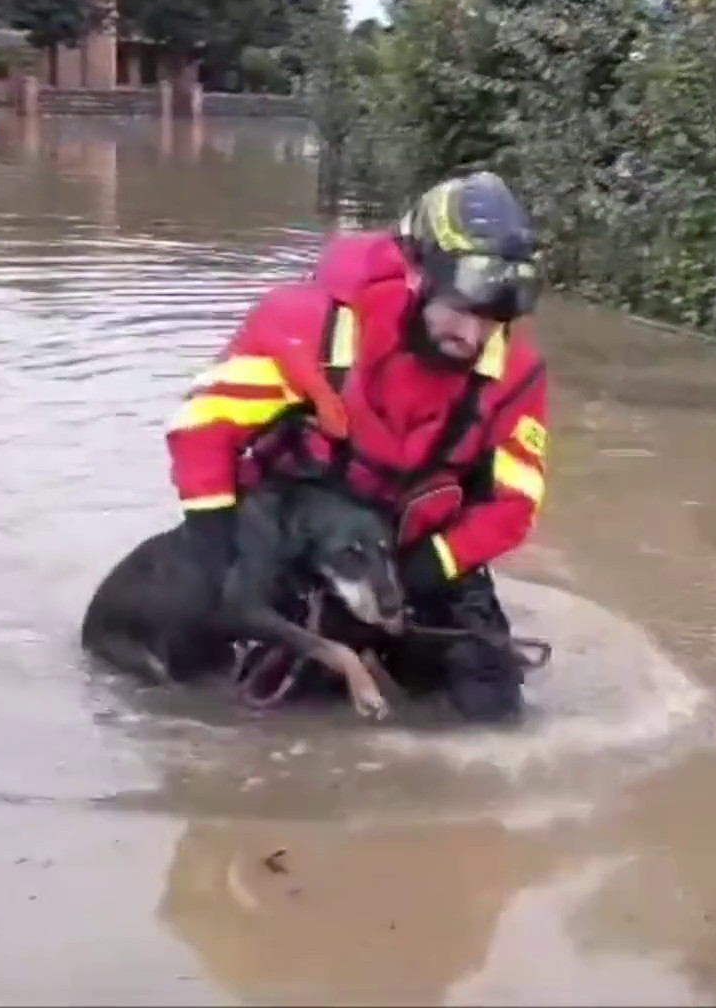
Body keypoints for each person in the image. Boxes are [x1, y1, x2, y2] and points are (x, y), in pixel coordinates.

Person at [165, 170, 550, 722]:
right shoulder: (306, 327)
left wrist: (432, 566)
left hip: (424, 557)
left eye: (493, 321)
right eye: (462, 310)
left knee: (491, 712)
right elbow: (204, 424)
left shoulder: (516, 375)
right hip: (309, 551)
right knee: (282, 721)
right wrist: (217, 540)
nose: (473, 337)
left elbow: (516, 503)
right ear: (416, 275)